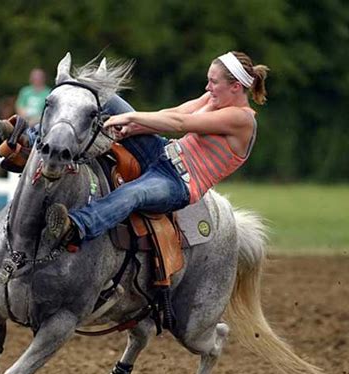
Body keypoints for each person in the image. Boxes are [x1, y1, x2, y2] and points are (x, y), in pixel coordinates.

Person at [45, 51, 269, 249]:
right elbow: (172, 112)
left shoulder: (241, 119)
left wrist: (130, 118)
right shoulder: (214, 99)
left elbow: (180, 123)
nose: (207, 87)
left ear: (236, 87)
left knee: (134, 193)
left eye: (213, 81)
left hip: (178, 183)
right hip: (161, 151)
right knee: (106, 97)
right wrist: (136, 127)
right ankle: (38, 137)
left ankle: (76, 227)